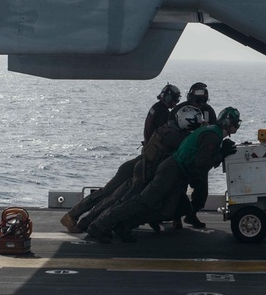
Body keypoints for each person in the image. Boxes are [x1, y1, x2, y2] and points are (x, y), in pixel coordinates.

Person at [86, 106, 241, 243]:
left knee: (171, 210)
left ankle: (124, 225)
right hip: (172, 170)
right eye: (236, 122)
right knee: (143, 201)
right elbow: (200, 163)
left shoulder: (212, 133)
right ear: (228, 123)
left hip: (177, 172)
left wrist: (220, 153)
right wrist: (221, 154)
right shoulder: (212, 136)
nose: (238, 125)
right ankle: (100, 225)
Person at [60, 83, 182, 233]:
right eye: (175, 100)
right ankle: (73, 215)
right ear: (169, 98)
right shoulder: (163, 113)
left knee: (111, 194)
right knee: (108, 193)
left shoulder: (156, 108)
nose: (175, 103)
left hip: (144, 157)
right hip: (144, 162)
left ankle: (83, 220)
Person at [75, 104, 203, 232]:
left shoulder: (167, 128)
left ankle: (93, 223)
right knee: (122, 203)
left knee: (118, 200)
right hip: (147, 174)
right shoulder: (176, 137)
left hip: (144, 169)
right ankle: (99, 225)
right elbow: (189, 152)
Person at [173, 82, 217, 228]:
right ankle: (176, 217)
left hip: (199, 159)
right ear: (190, 98)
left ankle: (192, 214)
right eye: (198, 100)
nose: (200, 104)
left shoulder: (209, 111)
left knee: (202, 190)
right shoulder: (179, 110)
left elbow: (214, 133)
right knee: (179, 189)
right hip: (183, 157)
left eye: (203, 101)